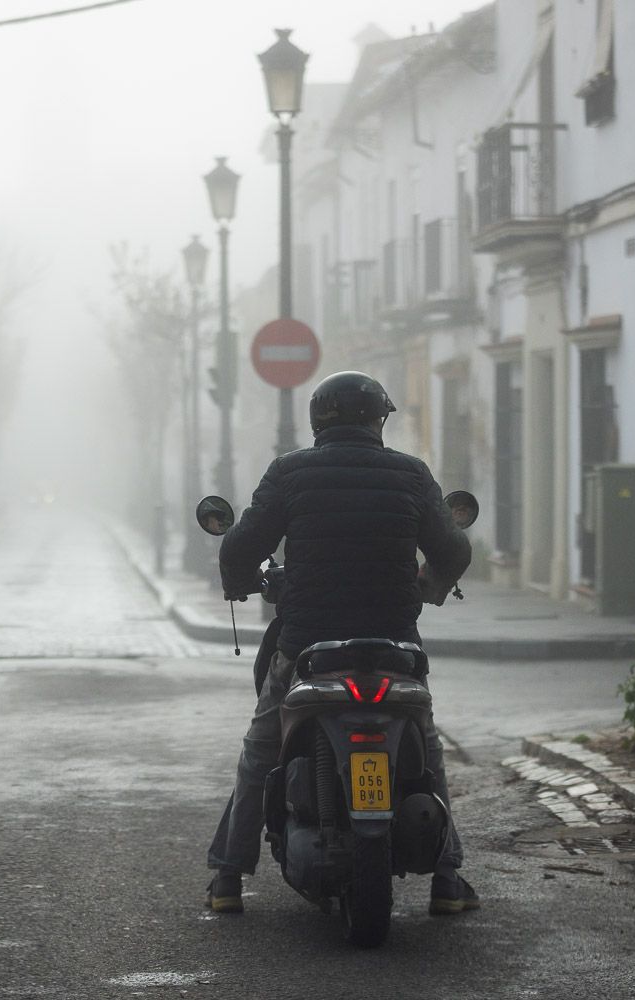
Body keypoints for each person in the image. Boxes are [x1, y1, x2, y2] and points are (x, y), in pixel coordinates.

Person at [204, 370, 477, 917]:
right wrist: (430, 587)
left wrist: (241, 581)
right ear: (378, 420)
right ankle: (447, 881)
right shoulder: (411, 474)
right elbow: (453, 549)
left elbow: (241, 545)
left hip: (309, 647)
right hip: (395, 648)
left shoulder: (290, 473)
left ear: (316, 420)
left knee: (261, 752)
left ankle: (229, 879)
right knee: (425, 749)